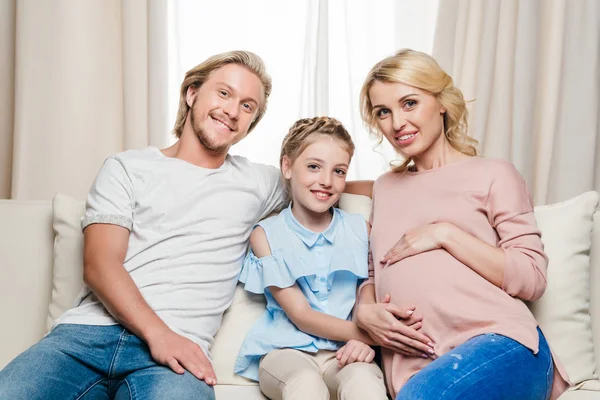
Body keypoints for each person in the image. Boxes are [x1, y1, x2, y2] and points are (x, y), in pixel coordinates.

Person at [0, 51, 287, 400]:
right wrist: (159, 335)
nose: (232, 110)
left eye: (247, 106)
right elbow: (99, 264)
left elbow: (328, 181)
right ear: (192, 93)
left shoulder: (259, 182)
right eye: (224, 93)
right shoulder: (127, 167)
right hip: (84, 338)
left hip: (177, 358)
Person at [353, 49, 571, 400]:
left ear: (441, 102)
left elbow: (532, 277)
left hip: (503, 345)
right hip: (419, 366)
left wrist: (445, 234)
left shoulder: (493, 173)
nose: (396, 123)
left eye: (409, 103)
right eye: (383, 112)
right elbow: (375, 272)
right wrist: (364, 311)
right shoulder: (385, 187)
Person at [234, 116, 388, 400]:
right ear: (287, 166)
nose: (326, 182)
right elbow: (301, 315)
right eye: (314, 167)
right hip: (284, 353)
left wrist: (363, 344)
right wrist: (368, 336)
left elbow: (369, 287)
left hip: (343, 353)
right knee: (306, 384)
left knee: (365, 380)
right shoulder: (265, 234)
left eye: (338, 171)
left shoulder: (359, 228)